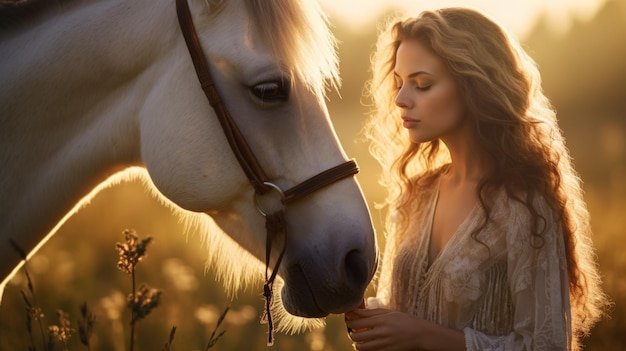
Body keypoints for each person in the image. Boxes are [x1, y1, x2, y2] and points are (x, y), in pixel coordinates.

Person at [344, 7, 609, 351]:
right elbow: (401, 311)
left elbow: (548, 345)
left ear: (474, 86)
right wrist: (360, 309)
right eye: (399, 82)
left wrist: (423, 336)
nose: (400, 99)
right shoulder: (416, 194)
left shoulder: (525, 207)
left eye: (422, 84)